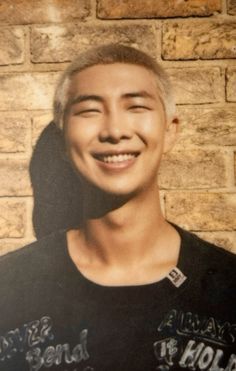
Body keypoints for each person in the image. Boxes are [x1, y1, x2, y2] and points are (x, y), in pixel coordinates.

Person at [0, 44, 235, 371]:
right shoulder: (8, 288)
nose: (114, 131)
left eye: (136, 106)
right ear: (64, 140)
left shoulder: (229, 288)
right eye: (89, 111)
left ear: (170, 131)